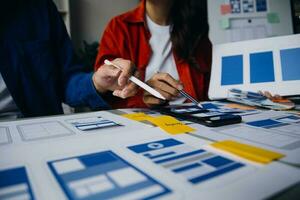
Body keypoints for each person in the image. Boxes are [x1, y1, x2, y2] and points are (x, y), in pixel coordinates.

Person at [0, 0, 138, 119]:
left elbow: (66, 79)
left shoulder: (41, 7)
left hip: (41, 126)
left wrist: (96, 83)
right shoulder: (119, 25)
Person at [95, 0, 212, 108]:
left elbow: (209, 87)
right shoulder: (119, 27)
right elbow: (104, 90)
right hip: (142, 122)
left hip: (193, 119)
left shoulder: (196, 28)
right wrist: (143, 97)